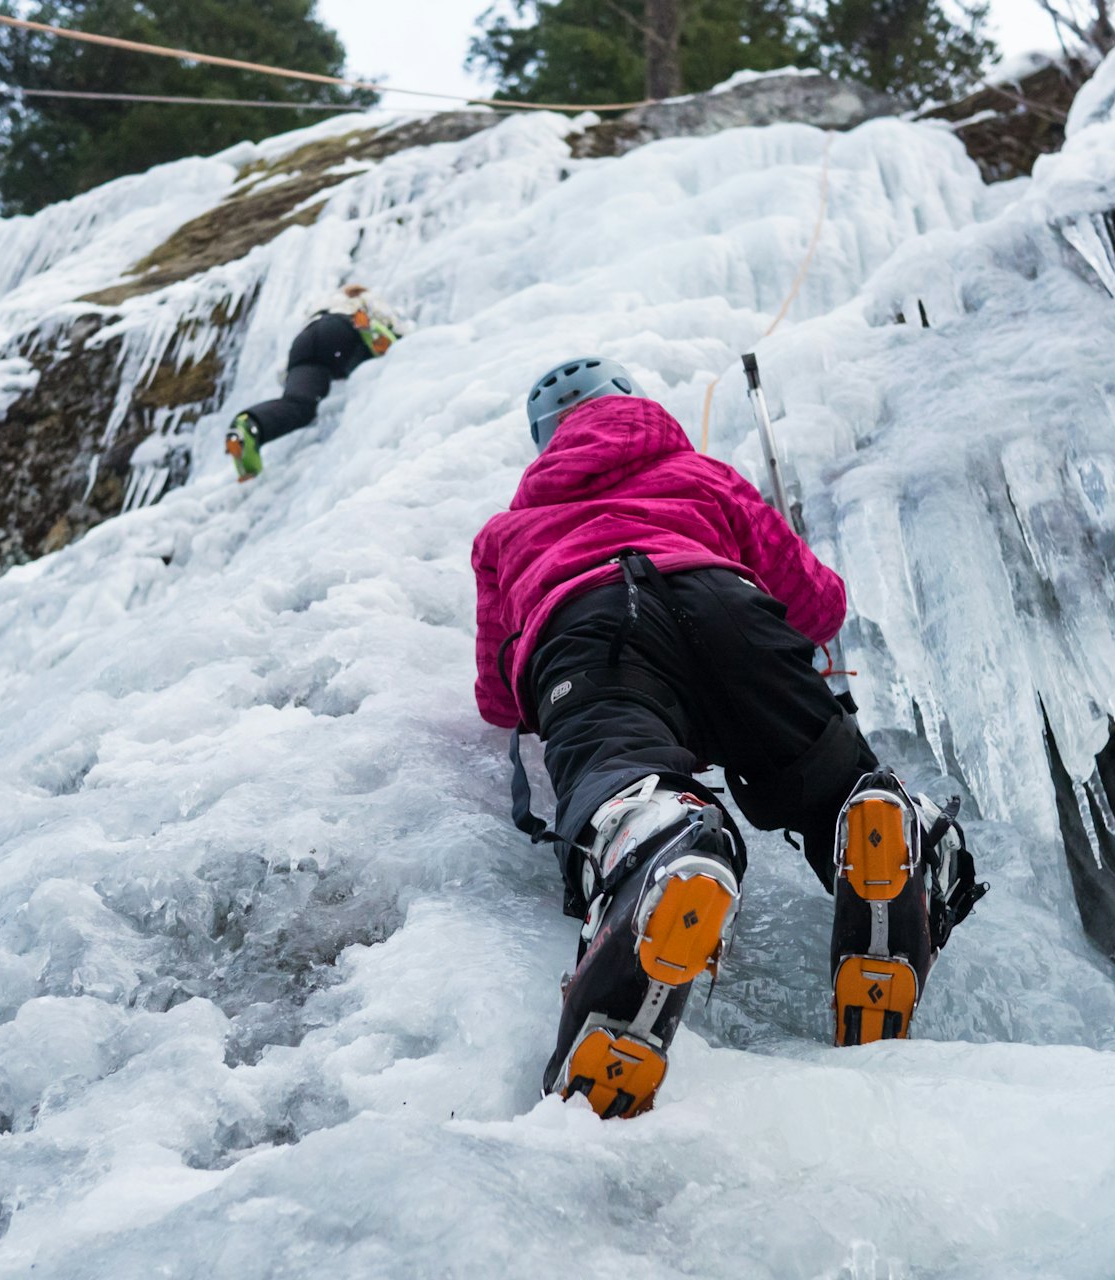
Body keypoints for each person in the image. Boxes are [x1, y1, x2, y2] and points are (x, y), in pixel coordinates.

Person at [472, 356, 984, 1119]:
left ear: (543, 443)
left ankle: (651, 835)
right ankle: (872, 822)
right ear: (634, 404)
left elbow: (494, 694)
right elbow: (817, 604)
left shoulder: (507, 532)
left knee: (620, 766)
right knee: (817, 765)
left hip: (589, 632)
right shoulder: (702, 472)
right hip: (727, 606)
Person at [225, 283, 407, 482]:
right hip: (345, 328)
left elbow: (282, 375)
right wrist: (401, 335)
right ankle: (372, 333)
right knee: (385, 356)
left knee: (300, 405)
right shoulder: (363, 297)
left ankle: (251, 425)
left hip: (305, 344)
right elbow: (388, 318)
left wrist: (293, 378)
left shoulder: (321, 304)